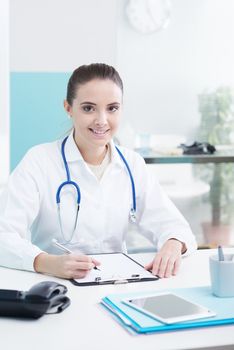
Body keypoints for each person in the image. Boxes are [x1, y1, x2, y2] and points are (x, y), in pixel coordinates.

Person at [0, 63, 197, 280]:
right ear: (68, 108)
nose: (101, 120)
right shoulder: (39, 162)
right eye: (88, 108)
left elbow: (176, 226)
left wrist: (173, 243)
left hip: (118, 287)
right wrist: (48, 262)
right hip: (56, 287)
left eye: (112, 108)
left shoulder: (132, 165)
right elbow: (4, 236)